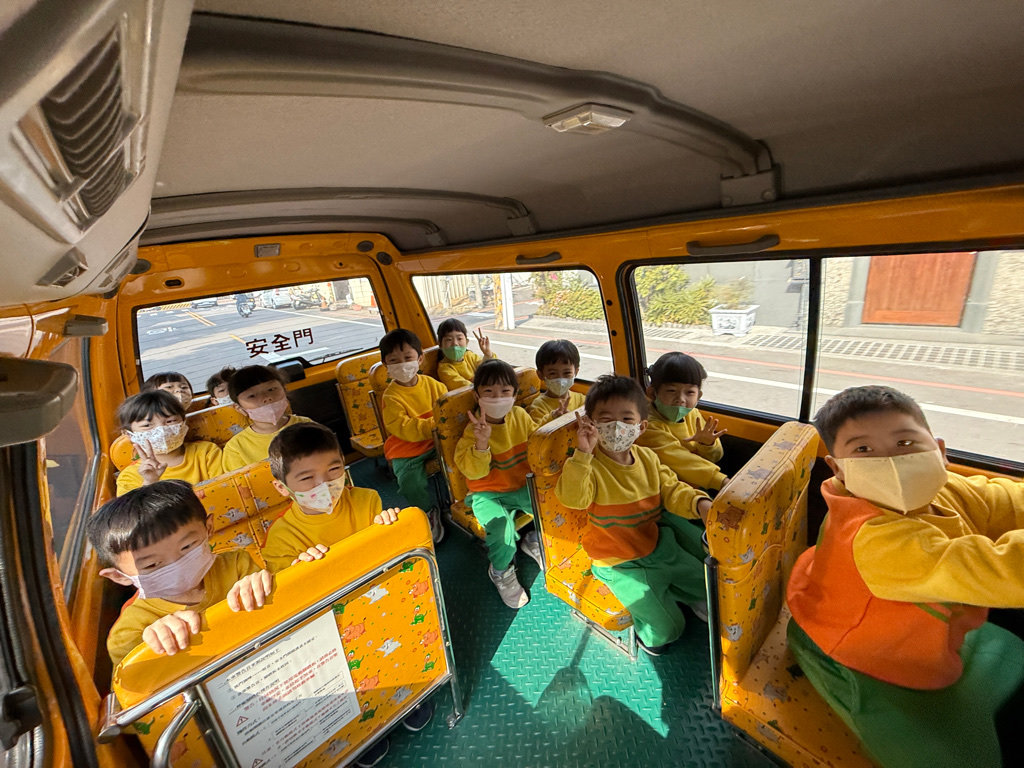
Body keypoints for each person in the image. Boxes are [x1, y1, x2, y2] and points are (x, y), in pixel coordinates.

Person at [786, 385, 1024, 768]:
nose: (891, 462)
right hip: (857, 651)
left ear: (939, 451)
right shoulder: (876, 542)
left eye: (905, 443)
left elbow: (1007, 499)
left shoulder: (945, 489)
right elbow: (999, 570)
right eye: (864, 450)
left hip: (909, 626)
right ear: (839, 469)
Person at [555, 375, 711, 656]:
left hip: (657, 546)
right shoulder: (588, 465)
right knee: (667, 630)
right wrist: (583, 453)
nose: (617, 427)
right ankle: (656, 618)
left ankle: (675, 593)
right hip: (618, 562)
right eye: (606, 419)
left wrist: (700, 503)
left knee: (710, 588)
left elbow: (672, 489)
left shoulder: (648, 458)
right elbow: (573, 499)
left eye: (627, 419)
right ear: (591, 424)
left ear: (641, 427)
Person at [89, 480, 274, 668]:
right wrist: (152, 645)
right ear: (120, 577)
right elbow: (134, 676)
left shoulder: (237, 565)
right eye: (152, 564)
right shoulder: (130, 632)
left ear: (209, 528)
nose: (176, 565)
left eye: (187, 546)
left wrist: (262, 585)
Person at [454, 359, 543, 608]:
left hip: (519, 485)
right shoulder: (473, 430)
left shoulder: (520, 416)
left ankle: (532, 539)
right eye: (489, 392)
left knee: (549, 504)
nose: (498, 398)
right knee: (502, 529)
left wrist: (551, 421)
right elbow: (473, 471)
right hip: (487, 492)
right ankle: (500, 570)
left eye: (505, 392)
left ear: (514, 395)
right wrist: (482, 444)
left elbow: (536, 444)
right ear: (477, 396)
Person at [261, 423, 403, 573]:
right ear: (282, 487)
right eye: (307, 477)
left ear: (343, 462)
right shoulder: (280, 538)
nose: (324, 484)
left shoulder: (366, 499)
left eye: (334, 469)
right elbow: (287, 584)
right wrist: (303, 571)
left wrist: (391, 527)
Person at [379, 329, 446, 542]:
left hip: (438, 442)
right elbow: (405, 428)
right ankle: (427, 511)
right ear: (385, 365)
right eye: (394, 361)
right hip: (407, 449)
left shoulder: (435, 386)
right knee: (410, 482)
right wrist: (437, 424)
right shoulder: (391, 397)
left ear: (420, 358)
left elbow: (448, 410)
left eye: (408, 358)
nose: (402, 364)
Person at [636, 352, 728, 491]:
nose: (681, 399)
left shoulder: (693, 415)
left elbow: (714, 457)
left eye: (689, 392)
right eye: (671, 391)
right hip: (668, 491)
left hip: (697, 486)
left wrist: (707, 444)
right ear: (652, 393)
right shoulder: (646, 426)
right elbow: (680, 461)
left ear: (699, 396)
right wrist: (722, 482)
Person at [115, 391, 224, 495]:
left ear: (183, 422)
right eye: (147, 425)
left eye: (170, 421)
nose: (162, 430)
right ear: (129, 434)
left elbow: (225, 489)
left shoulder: (206, 452)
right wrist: (150, 482)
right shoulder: (128, 477)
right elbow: (134, 508)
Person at [221, 365, 312, 471]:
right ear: (240, 409)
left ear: (284, 391)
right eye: (252, 396)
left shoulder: (308, 425)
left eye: (271, 389)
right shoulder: (236, 448)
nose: (267, 398)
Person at [528, 339, 586, 425]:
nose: (560, 379)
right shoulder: (538, 406)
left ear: (576, 372)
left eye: (567, 373)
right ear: (540, 375)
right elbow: (538, 430)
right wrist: (553, 417)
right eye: (553, 373)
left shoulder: (582, 400)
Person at [436, 318, 495, 390]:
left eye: (459, 339)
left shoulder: (469, 355)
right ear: (440, 344)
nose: (455, 343)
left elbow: (490, 368)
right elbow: (467, 388)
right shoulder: (444, 369)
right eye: (449, 339)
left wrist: (487, 354)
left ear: (467, 342)